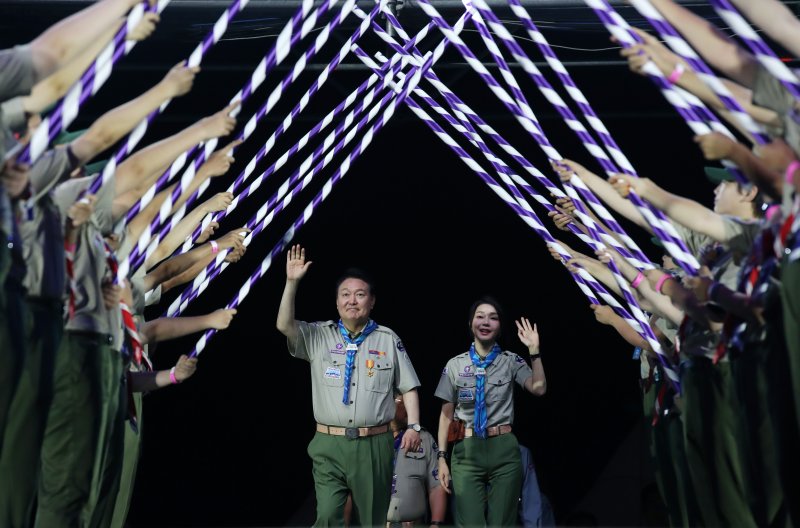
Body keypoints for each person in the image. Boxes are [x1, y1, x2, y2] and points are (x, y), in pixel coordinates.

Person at [276, 244, 423, 527]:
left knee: (372, 520)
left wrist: (414, 427)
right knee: (328, 515)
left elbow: (409, 387)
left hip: (373, 445)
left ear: (372, 301)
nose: (352, 301)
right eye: (345, 295)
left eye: (359, 294)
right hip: (328, 444)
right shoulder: (320, 335)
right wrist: (291, 283)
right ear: (336, 303)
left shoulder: (387, 339)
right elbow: (284, 325)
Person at [434, 297, 546, 527]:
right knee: (470, 522)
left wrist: (534, 352)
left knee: (502, 523)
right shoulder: (455, 365)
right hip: (466, 450)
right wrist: (442, 458)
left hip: (503, 448)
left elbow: (539, 388)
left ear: (500, 327)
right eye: (480, 316)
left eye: (493, 318)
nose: (486, 322)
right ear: (470, 323)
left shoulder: (511, 361)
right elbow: (446, 415)